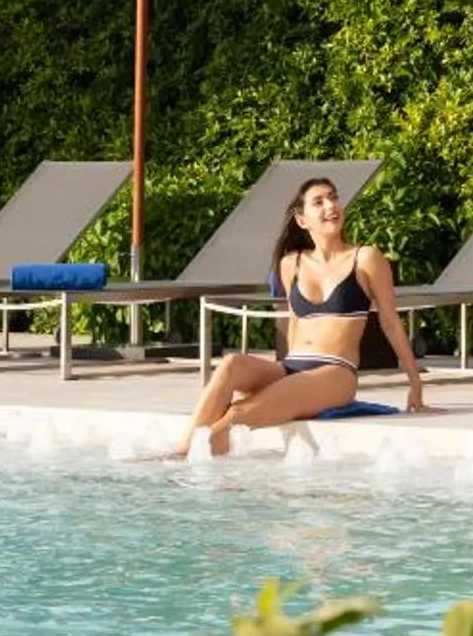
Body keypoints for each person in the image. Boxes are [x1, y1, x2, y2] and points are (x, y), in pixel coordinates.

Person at [162, 175, 428, 458]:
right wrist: (273, 382)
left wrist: (415, 382)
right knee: (231, 364)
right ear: (302, 220)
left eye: (334, 197)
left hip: (335, 372)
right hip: (292, 366)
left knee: (237, 413)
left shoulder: (365, 258)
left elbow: (389, 321)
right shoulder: (291, 264)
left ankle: (190, 457)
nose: (331, 206)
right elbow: (295, 325)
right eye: (319, 201)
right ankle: (183, 450)